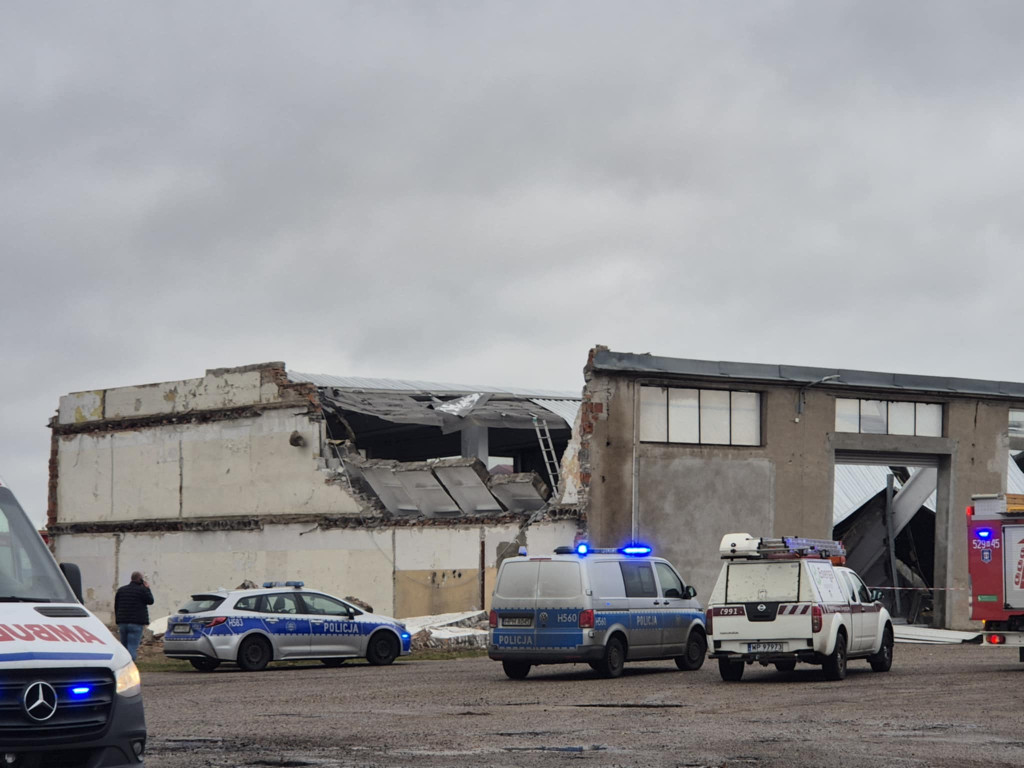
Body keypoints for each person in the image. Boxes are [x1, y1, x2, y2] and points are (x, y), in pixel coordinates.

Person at [114, 571, 154, 661]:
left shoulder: (121, 590)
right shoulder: (142, 590)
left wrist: (118, 620)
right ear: (140, 579)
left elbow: (116, 606)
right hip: (136, 623)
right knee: (132, 646)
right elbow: (150, 601)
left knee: (124, 648)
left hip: (122, 622)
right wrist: (147, 588)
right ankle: (131, 664)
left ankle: (123, 664)